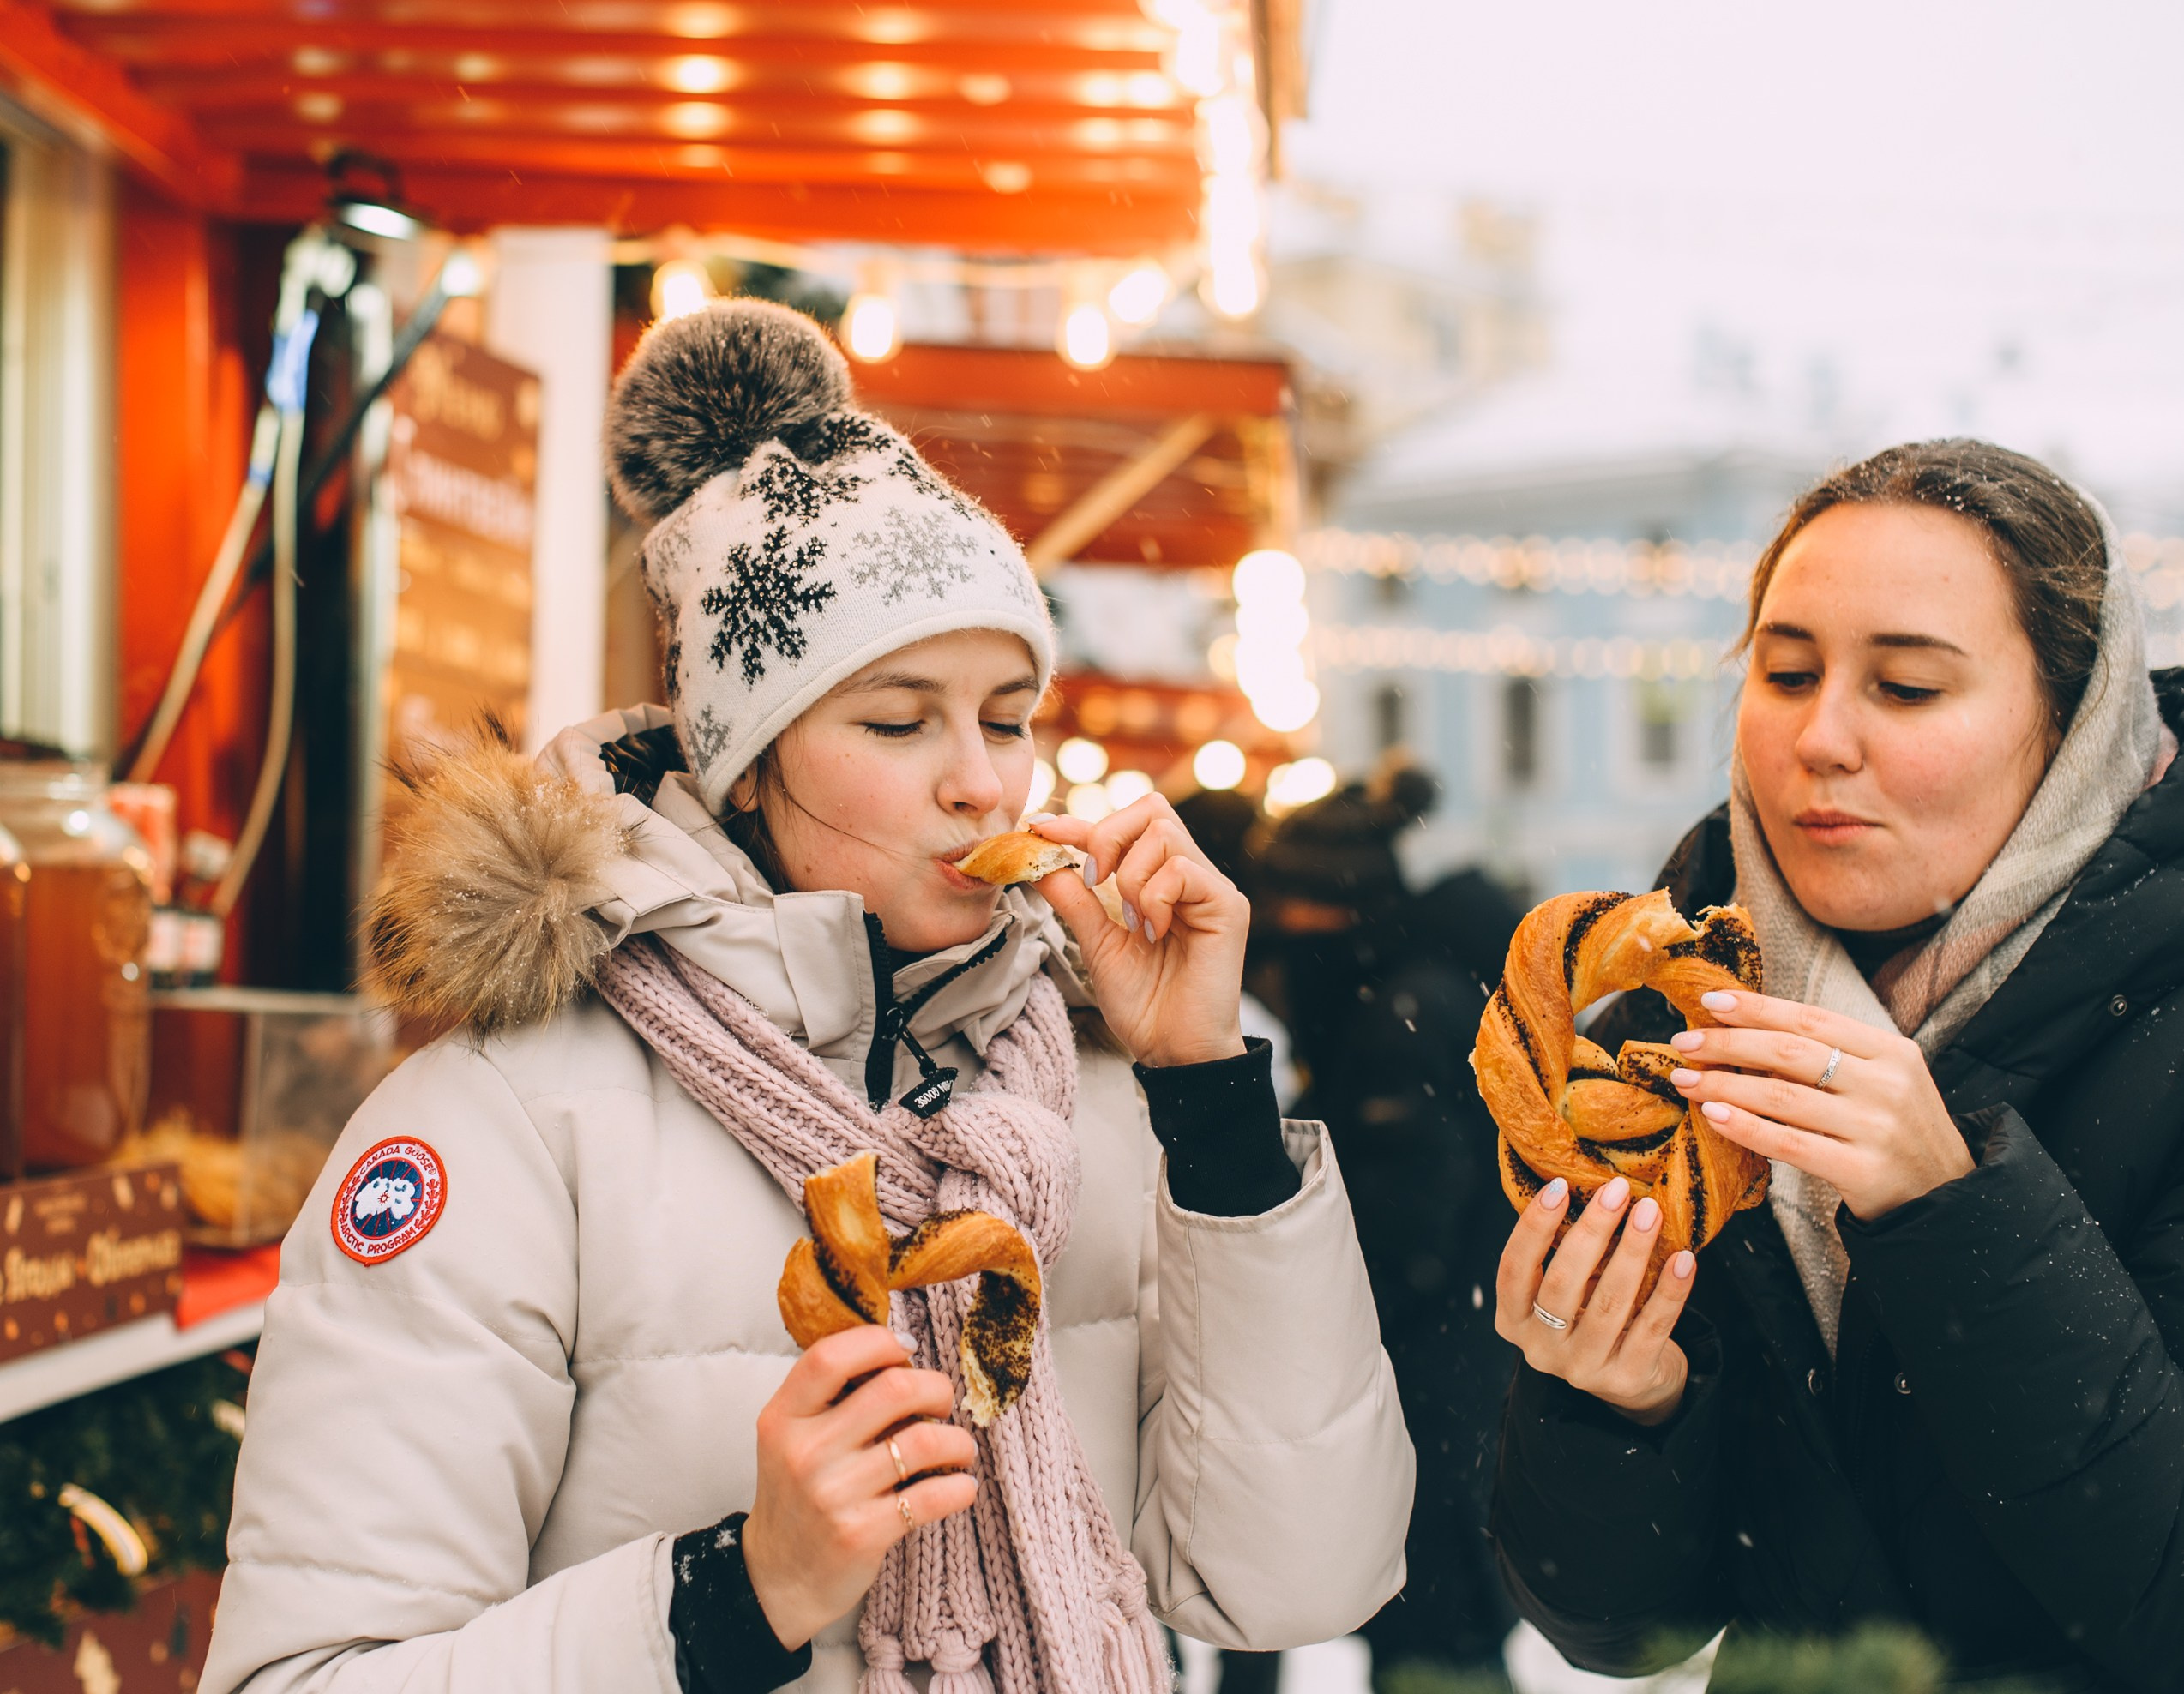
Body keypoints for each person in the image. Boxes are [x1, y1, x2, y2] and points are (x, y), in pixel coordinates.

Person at [202, 300, 1412, 1694]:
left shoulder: (1096, 1102)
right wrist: (730, 1594)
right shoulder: (508, 1124)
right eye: (898, 720)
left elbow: (1299, 1578)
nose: (982, 779)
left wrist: (1207, 1096)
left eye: (1008, 716)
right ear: (747, 765)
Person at [1489, 439, 2184, 1691]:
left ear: (2071, 724)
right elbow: (1615, 1630)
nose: (1817, 739)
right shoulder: (1673, 1023)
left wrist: (1953, 1208)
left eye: (1905, 689)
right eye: (1783, 671)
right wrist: (1619, 1405)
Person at [1256, 767, 1520, 1686]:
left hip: (1427, 1394)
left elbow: (1397, 1243)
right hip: (1445, 1379)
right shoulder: (1405, 999)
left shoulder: (1396, 1022)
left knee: (1437, 1638)